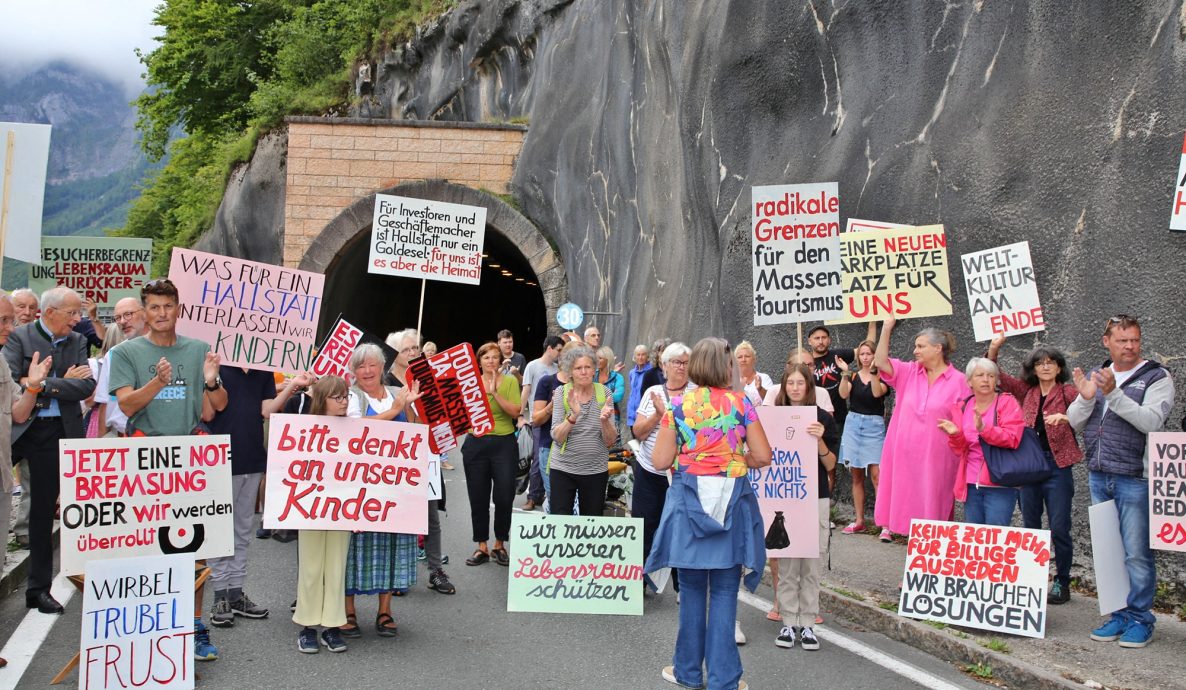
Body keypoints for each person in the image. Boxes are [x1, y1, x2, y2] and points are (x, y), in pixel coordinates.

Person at [108, 278, 227, 661]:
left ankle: (194, 628)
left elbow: (214, 408)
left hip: (190, 457)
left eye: (168, 306)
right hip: (144, 457)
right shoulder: (126, 352)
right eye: (154, 307)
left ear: (179, 309)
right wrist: (158, 383)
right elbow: (126, 407)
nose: (161, 314)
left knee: (195, 546)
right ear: (145, 311)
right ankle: (152, 628)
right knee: (146, 545)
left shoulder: (197, 350)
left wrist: (212, 381)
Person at [647, 338, 771, 690]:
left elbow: (659, 461)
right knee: (725, 593)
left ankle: (687, 672)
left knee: (691, 591)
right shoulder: (741, 402)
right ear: (726, 366)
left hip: (689, 503)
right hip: (732, 502)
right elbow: (763, 456)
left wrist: (697, 458)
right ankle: (724, 679)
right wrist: (732, 459)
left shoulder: (678, 405)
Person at [1069, 315, 1174, 649]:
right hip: (1100, 474)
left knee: (1137, 554)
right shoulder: (1097, 375)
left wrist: (1113, 395)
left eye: (1135, 340)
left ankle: (1141, 618)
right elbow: (1073, 422)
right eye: (1122, 340)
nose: (1130, 346)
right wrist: (1087, 397)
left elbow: (1151, 422)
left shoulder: (1157, 376)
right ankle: (1119, 614)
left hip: (1135, 478)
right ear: (1106, 341)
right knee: (1109, 553)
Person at [3, 287, 95, 616]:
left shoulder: (77, 341)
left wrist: (43, 383)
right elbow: (13, 382)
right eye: (71, 313)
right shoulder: (20, 337)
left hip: (56, 431)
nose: (77, 319)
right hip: (16, 430)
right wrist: (59, 383)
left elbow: (86, 386)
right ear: (50, 312)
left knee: (42, 515)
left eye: (79, 313)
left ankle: (38, 590)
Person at [207, 364, 312, 627]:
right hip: (220, 459)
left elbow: (266, 410)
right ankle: (219, 594)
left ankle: (235, 592)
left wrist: (292, 385)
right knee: (220, 532)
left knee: (242, 530)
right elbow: (209, 412)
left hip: (252, 457)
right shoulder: (218, 368)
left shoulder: (262, 371)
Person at [988, 336, 1081, 604]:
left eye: (1051, 363)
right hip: (1029, 466)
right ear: (1033, 369)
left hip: (1057, 465)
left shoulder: (1067, 393)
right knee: (1030, 527)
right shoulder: (1025, 391)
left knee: (1060, 527)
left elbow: (1089, 408)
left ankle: (1061, 582)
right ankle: (1032, 580)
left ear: (1059, 367)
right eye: (1040, 363)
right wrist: (995, 347)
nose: (1046, 367)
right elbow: (996, 373)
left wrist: (1067, 417)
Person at [343, 343, 422, 636]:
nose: (366, 371)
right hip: (358, 486)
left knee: (390, 546)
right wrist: (396, 410)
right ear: (354, 371)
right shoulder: (351, 396)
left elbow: (413, 431)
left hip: (392, 486)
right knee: (352, 548)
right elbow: (355, 428)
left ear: (381, 368)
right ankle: (348, 611)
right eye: (361, 366)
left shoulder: (395, 394)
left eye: (372, 365)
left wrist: (409, 407)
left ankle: (384, 610)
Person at [872, 317, 970, 542]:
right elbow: (880, 361)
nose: (915, 351)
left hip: (938, 458)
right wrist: (886, 327)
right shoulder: (909, 372)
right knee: (909, 511)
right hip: (904, 456)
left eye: (920, 346)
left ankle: (929, 571)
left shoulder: (960, 381)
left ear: (938, 348)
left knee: (933, 511)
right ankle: (915, 572)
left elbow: (966, 421)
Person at [0, 293, 56, 670]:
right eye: (4, 320)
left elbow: (19, 412)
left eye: (9, 320)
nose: (10, 327)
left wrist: (34, 386)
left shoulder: (2, 364)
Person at [772, 364, 838, 652]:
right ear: (784, 386)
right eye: (791, 383)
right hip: (786, 497)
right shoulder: (773, 417)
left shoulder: (823, 418)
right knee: (787, 565)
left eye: (801, 382)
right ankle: (788, 621)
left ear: (809, 386)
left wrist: (819, 439)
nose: (796, 388)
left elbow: (831, 464)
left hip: (816, 496)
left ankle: (808, 624)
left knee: (811, 565)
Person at [385, 328, 455, 595]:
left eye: (416, 347)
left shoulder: (429, 378)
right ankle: (399, 573)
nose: (414, 352)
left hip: (426, 455)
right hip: (397, 458)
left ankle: (436, 571)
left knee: (430, 518)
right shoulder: (386, 381)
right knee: (400, 517)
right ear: (395, 354)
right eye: (407, 349)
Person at [294, 376, 352, 653]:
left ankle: (332, 626)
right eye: (337, 397)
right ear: (322, 399)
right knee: (311, 566)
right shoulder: (305, 427)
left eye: (346, 396)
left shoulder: (355, 429)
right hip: (311, 507)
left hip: (343, 508)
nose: (343, 402)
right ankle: (307, 627)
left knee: (336, 566)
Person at [631, 342, 693, 592]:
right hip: (649, 471)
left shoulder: (697, 394)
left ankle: (682, 586)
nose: (681, 367)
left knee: (682, 529)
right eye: (676, 362)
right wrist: (658, 415)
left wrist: (669, 415)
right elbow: (638, 431)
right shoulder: (653, 392)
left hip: (683, 474)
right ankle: (639, 583)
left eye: (686, 362)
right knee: (644, 525)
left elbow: (697, 435)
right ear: (664, 366)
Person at [938, 358, 1024, 525]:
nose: (986, 379)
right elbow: (960, 449)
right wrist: (955, 435)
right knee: (975, 539)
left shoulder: (1007, 402)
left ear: (996, 380)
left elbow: (1012, 438)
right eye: (980, 375)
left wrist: (984, 429)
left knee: (995, 537)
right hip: (970, 482)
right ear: (969, 381)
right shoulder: (963, 406)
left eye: (991, 376)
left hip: (999, 481)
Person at [464, 341, 521, 566]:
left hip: (504, 444)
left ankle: (500, 544)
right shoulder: (470, 384)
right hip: (476, 444)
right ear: (479, 361)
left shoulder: (509, 382)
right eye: (486, 357)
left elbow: (515, 412)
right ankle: (481, 546)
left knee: (504, 496)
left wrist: (494, 393)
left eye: (495, 357)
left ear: (500, 361)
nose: (490, 361)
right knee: (477, 497)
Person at [549, 346, 616, 516]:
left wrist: (605, 421)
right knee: (560, 520)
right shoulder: (562, 393)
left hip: (595, 470)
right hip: (563, 469)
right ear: (570, 371)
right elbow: (557, 437)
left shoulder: (605, 393)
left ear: (594, 369)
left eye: (588, 367)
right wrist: (573, 415)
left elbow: (610, 441)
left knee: (591, 521)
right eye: (578, 368)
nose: (584, 372)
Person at [837, 340, 887, 535]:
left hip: (874, 427)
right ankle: (859, 520)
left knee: (877, 476)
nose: (865, 357)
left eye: (869, 353)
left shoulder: (883, 377)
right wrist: (845, 373)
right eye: (863, 354)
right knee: (856, 475)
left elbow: (876, 393)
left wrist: (874, 372)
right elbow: (843, 395)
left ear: (876, 355)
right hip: (853, 424)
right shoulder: (854, 375)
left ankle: (884, 523)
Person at [521, 335, 563, 510]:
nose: (560, 354)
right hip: (538, 418)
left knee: (551, 458)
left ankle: (544, 493)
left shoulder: (557, 369)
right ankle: (532, 497)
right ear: (549, 348)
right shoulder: (533, 365)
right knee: (538, 459)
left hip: (557, 419)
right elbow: (526, 390)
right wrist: (520, 415)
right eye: (559, 350)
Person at [763, 349, 834, 414]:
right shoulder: (773, 391)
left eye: (810, 365)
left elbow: (828, 424)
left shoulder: (822, 393)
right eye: (801, 365)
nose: (806, 369)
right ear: (789, 367)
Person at [595, 345, 626, 431]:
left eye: (600, 358)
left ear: (607, 359)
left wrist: (595, 395)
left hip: (611, 416)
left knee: (612, 442)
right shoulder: (592, 375)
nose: (597, 360)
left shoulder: (617, 377)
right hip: (592, 416)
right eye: (596, 358)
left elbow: (618, 397)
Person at [734, 341, 773, 407]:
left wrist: (760, 389)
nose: (743, 359)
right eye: (740, 357)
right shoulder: (731, 381)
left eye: (747, 356)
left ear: (754, 359)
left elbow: (771, 401)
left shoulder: (764, 378)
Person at [625, 344, 652, 429]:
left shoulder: (651, 372)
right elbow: (633, 392)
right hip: (631, 415)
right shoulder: (632, 373)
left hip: (644, 415)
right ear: (635, 357)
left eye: (643, 354)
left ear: (647, 356)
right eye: (638, 355)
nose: (640, 357)